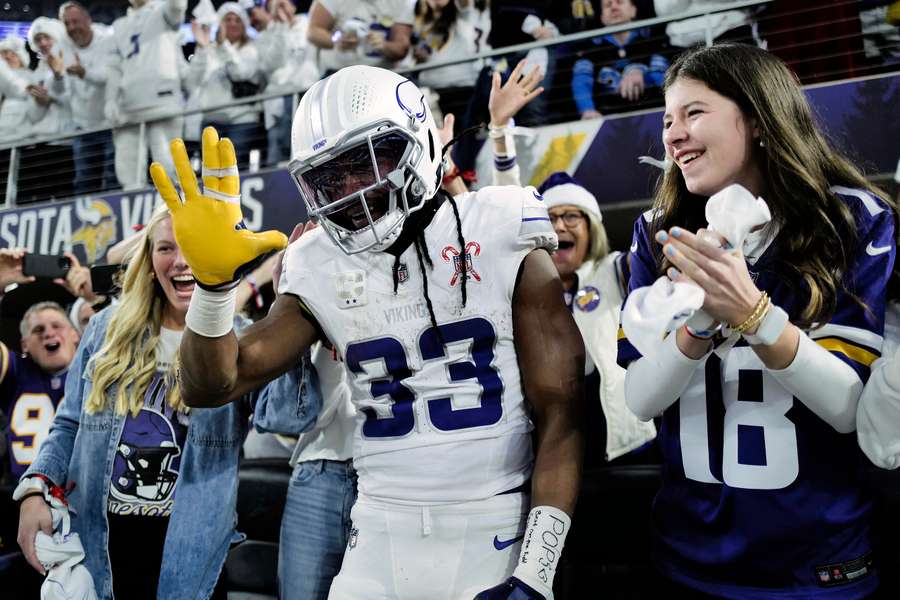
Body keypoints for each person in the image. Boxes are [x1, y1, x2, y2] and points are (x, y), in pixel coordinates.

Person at [149, 65, 584, 600]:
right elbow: (213, 384)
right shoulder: (317, 258)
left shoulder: (500, 223)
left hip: (494, 526)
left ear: (419, 140)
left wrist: (536, 573)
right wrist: (214, 290)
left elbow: (561, 412)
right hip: (376, 532)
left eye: (365, 161)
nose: (351, 190)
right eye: (331, 176)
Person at [617, 43, 896, 598]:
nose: (673, 134)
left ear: (760, 117)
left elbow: (851, 412)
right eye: (667, 119)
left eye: (694, 113)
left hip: (815, 565)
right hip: (687, 554)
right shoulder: (659, 231)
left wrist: (754, 316)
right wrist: (697, 327)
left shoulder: (848, 220)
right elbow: (641, 400)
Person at [15, 207, 312, 600]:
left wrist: (289, 315)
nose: (181, 260)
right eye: (166, 247)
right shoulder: (106, 329)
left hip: (193, 551)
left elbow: (290, 417)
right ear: (151, 261)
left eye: (192, 246)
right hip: (100, 548)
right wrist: (37, 488)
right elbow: (69, 424)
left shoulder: (242, 338)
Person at [106, 0, 187, 190]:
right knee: (128, 172)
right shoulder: (119, 26)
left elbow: (177, 7)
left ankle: (178, 214)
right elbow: (114, 68)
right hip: (129, 107)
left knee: (170, 167)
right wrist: (110, 99)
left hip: (162, 103)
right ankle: (133, 217)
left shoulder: (163, 10)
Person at [0, 301, 80, 484]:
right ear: (25, 344)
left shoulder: (96, 371)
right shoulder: (15, 371)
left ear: (75, 334)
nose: (49, 333)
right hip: (22, 492)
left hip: (81, 497)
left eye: (57, 326)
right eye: (38, 330)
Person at [186, 2, 264, 171]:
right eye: (227, 19)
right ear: (219, 24)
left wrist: (223, 46)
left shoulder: (252, 48)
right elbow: (192, 81)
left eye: (237, 20)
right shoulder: (208, 49)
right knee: (212, 172)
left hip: (242, 120)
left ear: (244, 24)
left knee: (234, 170)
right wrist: (201, 47)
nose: (232, 23)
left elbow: (241, 73)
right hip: (211, 120)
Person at [570, 0, 670, 119]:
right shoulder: (590, 49)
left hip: (655, 115)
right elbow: (581, 80)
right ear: (602, 17)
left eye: (620, 2)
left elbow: (664, 81)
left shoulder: (652, 39)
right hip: (607, 122)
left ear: (633, 10)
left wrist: (642, 74)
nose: (614, 7)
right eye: (608, 5)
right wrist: (587, 109)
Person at [252, 0, 320, 166]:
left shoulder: (309, 27)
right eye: (274, 7)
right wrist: (281, 29)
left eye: (283, 4)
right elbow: (270, 65)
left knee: (313, 154)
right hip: (278, 105)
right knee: (278, 159)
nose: (279, 9)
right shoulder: (264, 37)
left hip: (306, 99)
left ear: (294, 6)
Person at [59, 1, 116, 195]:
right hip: (83, 127)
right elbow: (67, 89)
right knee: (84, 182)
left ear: (88, 20)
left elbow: (109, 76)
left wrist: (85, 73)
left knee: (112, 179)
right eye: (67, 24)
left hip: (109, 125)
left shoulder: (107, 41)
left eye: (76, 21)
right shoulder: (64, 47)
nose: (72, 28)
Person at [306, 0, 415, 73]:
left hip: (383, 73)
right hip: (339, 73)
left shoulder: (401, 2)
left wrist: (385, 46)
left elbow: (402, 46)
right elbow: (312, 31)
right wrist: (336, 39)